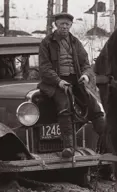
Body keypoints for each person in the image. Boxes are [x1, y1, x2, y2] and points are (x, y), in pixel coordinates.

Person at [38, 10, 106, 159]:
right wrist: (59, 81)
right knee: (65, 107)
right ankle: (68, 147)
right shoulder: (46, 43)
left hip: (76, 81)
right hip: (54, 84)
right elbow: (44, 68)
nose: (64, 27)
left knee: (94, 107)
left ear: (71, 25)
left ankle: (108, 144)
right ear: (56, 24)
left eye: (67, 24)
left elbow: (86, 64)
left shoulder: (75, 42)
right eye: (62, 24)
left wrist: (85, 76)